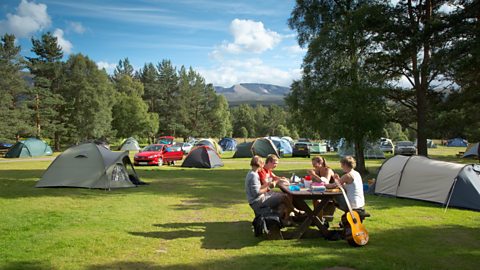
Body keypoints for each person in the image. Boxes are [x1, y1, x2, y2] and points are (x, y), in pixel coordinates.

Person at [245, 155, 294, 223]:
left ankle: (288, 217)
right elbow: (256, 193)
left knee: (283, 198)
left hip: (258, 199)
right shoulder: (253, 175)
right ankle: (294, 213)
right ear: (260, 164)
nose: (263, 167)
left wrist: (267, 184)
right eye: (262, 164)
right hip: (257, 201)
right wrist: (269, 187)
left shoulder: (252, 172)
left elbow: (258, 188)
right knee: (284, 197)